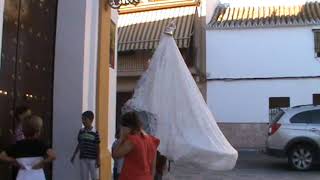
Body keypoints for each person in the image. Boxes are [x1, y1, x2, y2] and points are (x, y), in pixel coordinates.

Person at [0, 115, 56, 180]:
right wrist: (42, 163)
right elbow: (53, 156)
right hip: (38, 175)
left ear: (23, 132)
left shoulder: (17, 145)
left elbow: (2, 156)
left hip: (22, 176)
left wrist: (14, 161)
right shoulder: (41, 145)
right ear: (37, 132)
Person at [112, 112, 160, 180]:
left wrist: (121, 137)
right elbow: (153, 168)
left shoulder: (132, 140)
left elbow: (115, 154)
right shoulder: (152, 140)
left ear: (127, 127)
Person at [71, 111, 100, 180]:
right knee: (84, 177)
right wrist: (74, 155)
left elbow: (97, 146)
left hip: (92, 159)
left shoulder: (95, 132)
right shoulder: (81, 131)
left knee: (94, 177)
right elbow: (79, 144)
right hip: (83, 158)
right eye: (82, 119)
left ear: (91, 120)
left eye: (85, 119)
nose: (83, 121)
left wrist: (98, 159)